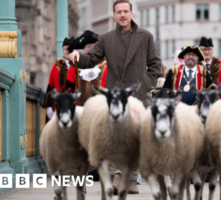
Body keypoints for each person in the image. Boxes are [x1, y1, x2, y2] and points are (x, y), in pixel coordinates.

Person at [69, 0, 162, 194]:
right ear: (113, 15)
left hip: (138, 93)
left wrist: (147, 84)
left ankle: (132, 179)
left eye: (125, 12)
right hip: (114, 95)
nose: (122, 15)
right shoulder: (106, 38)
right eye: (118, 12)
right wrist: (78, 56)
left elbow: (155, 64)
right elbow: (92, 59)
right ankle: (116, 175)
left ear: (131, 13)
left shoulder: (145, 36)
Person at [65, 30, 107, 105]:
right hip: (79, 108)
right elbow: (68, 89)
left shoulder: (106, 66)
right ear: (83, 48)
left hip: (100, 108)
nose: (90, 49)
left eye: (93, 47)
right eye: (88, 47)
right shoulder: (75, 66)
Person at [43, 37, 75, 121]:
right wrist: (49, 105)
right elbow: (50, 86)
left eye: (70, 48)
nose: (67, 51)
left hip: (74, 105)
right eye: (65, 49)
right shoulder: (57, 65)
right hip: (58, 105)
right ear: (62, 51)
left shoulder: (79, 65)